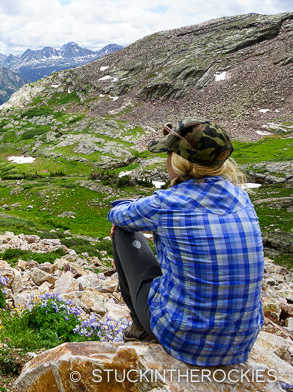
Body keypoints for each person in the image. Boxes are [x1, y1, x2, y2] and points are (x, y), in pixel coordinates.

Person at [107, 117, 264, 367]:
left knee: (124, 231)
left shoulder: (167, 203)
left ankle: (141, 327)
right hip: (241, 342)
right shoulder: (242, 198)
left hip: (183, 338)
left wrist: (132, 206)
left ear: (179, 161)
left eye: (169, 154)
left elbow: (116, 215)